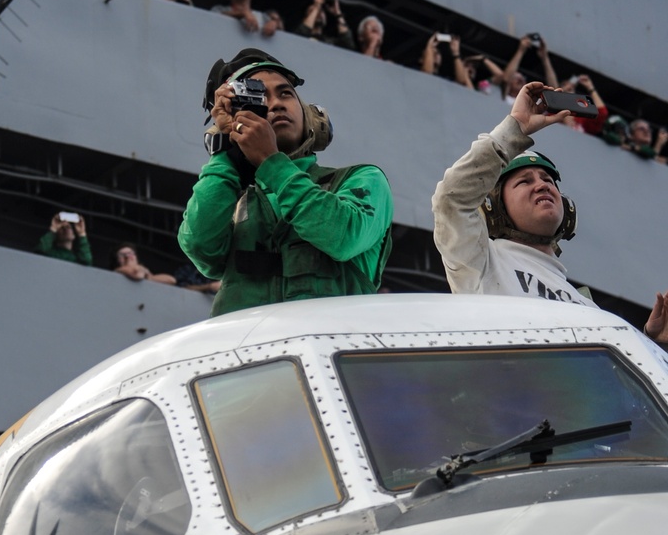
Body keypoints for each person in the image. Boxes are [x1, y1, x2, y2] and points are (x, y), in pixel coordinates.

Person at [432, 81, 668, 345]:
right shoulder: (480, 260)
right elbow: (451, 200)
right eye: (524, 181)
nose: (542, 184)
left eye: (547, 179)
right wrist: (515, 129)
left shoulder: (586, 307)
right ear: (495, 207)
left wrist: (653, 343)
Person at [178, 49, 393, 316]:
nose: (276, 104)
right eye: (259, 97)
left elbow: (343, 237)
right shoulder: (232, 199)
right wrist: (225, 152)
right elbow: (201, 250)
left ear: (311, 117)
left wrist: (270, 160)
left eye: (285, 93)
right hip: (248, 353)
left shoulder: (363, 179)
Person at [212, 0, 279, 37]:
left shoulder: (262, 17)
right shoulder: (220, 9)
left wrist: (274, 23)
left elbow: (280, 31)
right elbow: (213, 18)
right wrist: (243, 13)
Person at [110, 246, 176, 284]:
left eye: (131, 253)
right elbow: (138, 274)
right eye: (122, 255)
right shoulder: (118, 270)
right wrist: (143, 271)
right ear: (117, 260)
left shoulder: (143, 272)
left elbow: (171, 280)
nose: (128, 256)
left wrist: (149, 277)